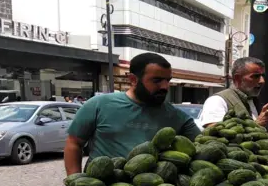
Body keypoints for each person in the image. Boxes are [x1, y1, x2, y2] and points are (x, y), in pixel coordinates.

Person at [63, 53, 201, 176]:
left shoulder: (177, 116)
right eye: (157, 80)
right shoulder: (98, 105)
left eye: (168, 80)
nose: (165, 87)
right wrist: (75, 181)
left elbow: (203, 146)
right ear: (133, 79)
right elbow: (74, 143)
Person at [198, 57, 268, 136]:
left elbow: (262, 138)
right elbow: (214, 136)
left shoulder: (253, 101)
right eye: (255, 76)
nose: (262, 81)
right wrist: (257, 124)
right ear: (237, 78)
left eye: (263, 76)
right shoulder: (217, 101)